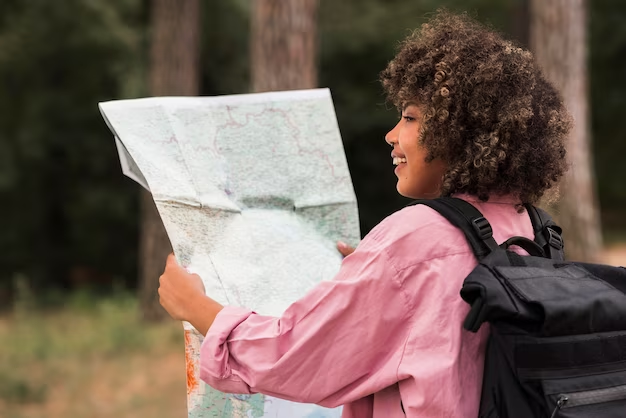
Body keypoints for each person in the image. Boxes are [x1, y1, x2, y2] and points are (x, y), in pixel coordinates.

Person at [157, 10, 571, 417]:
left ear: (457, 130)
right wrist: (378, 276)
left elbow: (294, 354)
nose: (391, 134)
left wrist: (196, 307)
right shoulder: (532, 227)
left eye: (409, 117)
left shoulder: (415, 237)